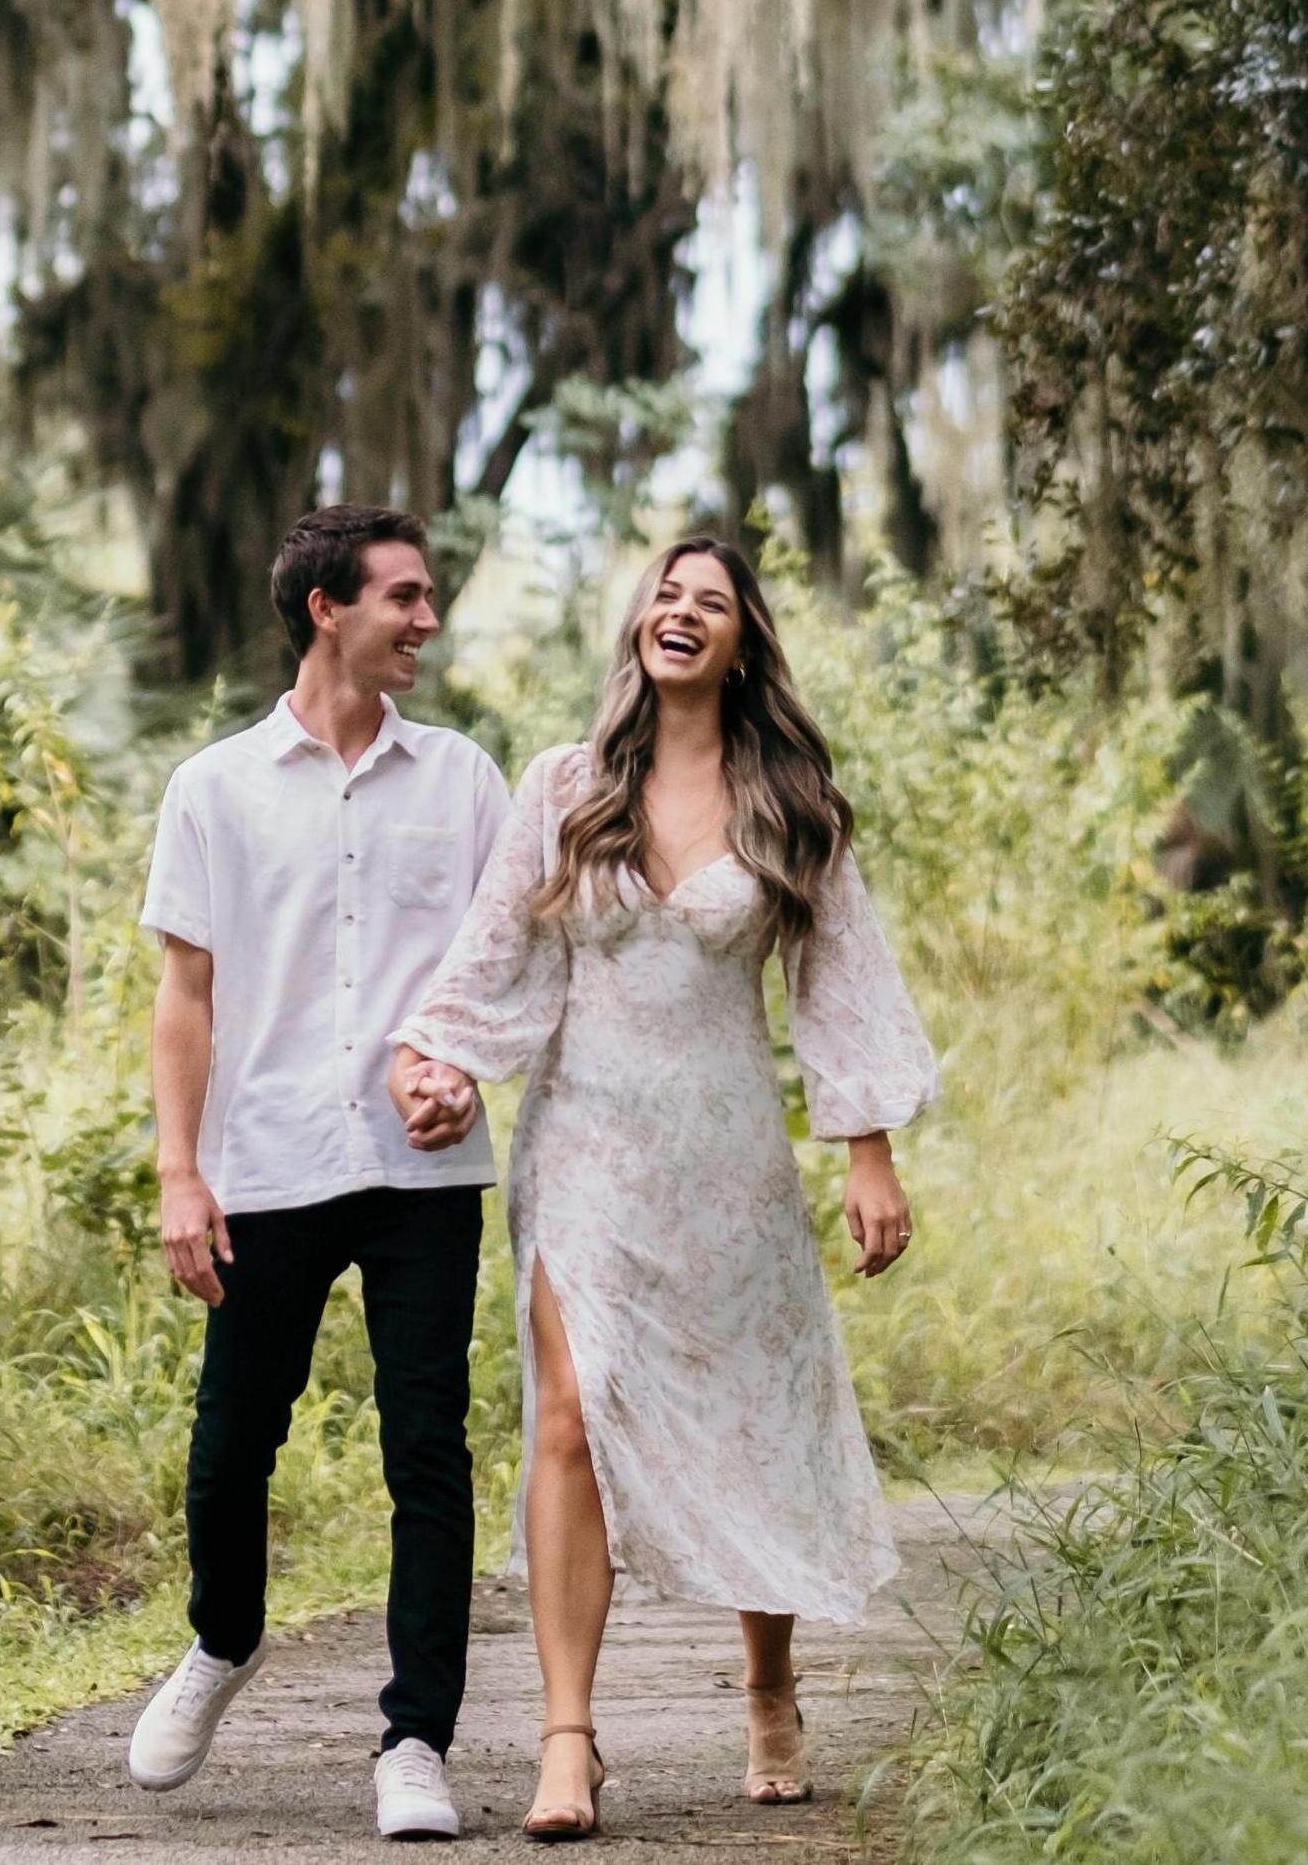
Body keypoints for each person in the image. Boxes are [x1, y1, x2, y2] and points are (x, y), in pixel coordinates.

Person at [388, 534, 938, 1843]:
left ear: (741, 644)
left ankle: (767, 1685)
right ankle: (569, 1741)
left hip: (729, 1158)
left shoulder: (788, 800)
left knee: (751, 1418)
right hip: (584, 1148)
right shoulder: (566, 787)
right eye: (666, 597)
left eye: (711, 604)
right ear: (641, 626)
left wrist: (866, 1148)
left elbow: (841, 979)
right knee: (567, 1416)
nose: (681, 614)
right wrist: (436, 1058)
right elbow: (496, 949)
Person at [126, 505, 510, 1844]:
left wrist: (457, 1062)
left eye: (429, 596)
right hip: (268, 1162)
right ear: (325, 610)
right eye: (405, 596)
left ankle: (416, 1740)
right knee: (231, 1451)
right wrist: (181, 1173)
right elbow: (187, 996)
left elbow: (500, 962)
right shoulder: (213, 788)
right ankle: (224, 1642)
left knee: (429, 1454)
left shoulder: (464, 779)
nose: (427, 619)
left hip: (423, 1170)